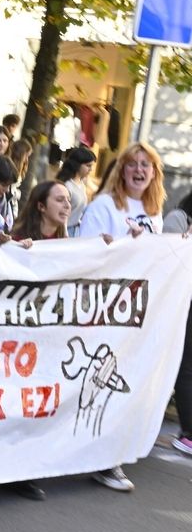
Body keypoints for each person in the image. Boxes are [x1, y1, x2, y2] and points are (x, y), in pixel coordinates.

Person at [79, 142, 166, 493]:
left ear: (155, 173)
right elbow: (87, 252)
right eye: (134, 164)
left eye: (147, 165)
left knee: (124, 380)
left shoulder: (154, 210)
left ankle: (108, 454)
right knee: (95, 381)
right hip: (105, 308)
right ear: (122, 170)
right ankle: (99, 457)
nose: (140, 170)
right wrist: (123, 245)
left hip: (138, 311)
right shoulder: (104, 206)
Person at [164, 193, 192, 457]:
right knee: (183, 366)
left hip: (186, 301)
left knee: (185, 367)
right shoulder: (178, 220)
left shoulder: (179, 219)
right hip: (179, 300)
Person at [56, 146, 96, 235]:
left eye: (91, 166)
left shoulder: (81, 184)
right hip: (64, 231)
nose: (91, 169)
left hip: (76, 230)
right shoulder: (67, 186)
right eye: (88, 166)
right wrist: (64, 233)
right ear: (77, 164)